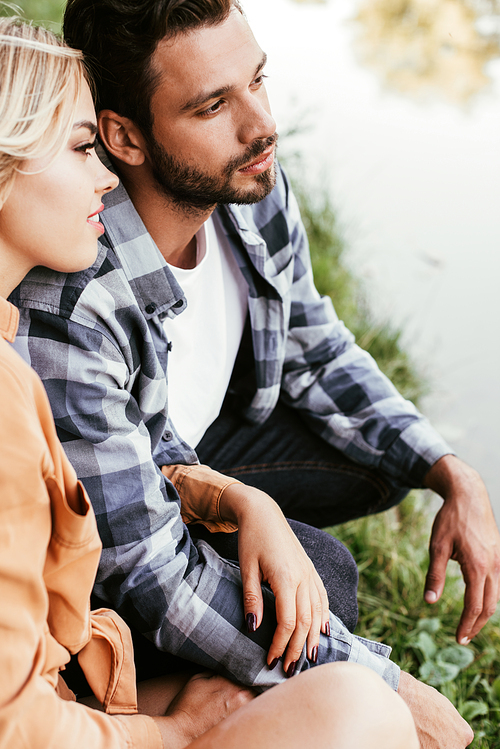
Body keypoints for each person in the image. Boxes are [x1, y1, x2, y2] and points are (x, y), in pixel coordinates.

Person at [0, 1, 480, 745]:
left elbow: (312, 342)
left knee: (374, 469)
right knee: (323, 584)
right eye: (213, 104)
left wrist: (449, 470)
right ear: (125, 136)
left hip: (175, 460)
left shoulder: (247, 181)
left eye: (258, 81)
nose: (262, 127)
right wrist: (388, 685)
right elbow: (140, 575)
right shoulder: (63, 302)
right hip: (99, 571)